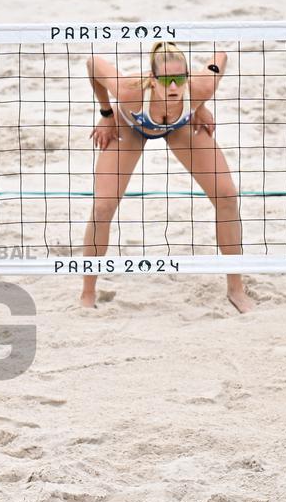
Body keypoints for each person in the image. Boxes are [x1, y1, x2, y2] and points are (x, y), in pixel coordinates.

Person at [82, 41, 254, 313]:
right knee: (102, 207)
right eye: (166, 80)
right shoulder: (128, 91)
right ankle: (87, 293)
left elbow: (220, 56)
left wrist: (200, 106)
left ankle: (236, 289)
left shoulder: (201, 86)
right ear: (152, 79)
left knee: (227, 196)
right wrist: (106, 114)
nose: (174, 87)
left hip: (179, 126)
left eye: (179, 79)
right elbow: (92, 63)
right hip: (129, 127)